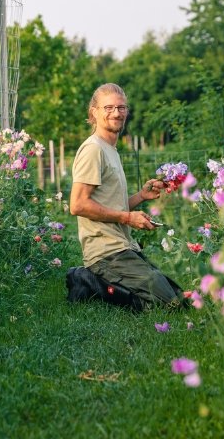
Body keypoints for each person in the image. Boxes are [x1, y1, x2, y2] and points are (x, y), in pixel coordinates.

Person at [68, 83, 183, 309]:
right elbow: (78, 205)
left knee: (177, 293)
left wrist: (141, 196)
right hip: (106, 253)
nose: (116, 113)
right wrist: (128, 218)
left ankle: (108, 286)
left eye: (121, 108)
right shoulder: (93, 149)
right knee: (170, 303)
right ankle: (87, 282)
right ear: (94, 112)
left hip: (123, 247)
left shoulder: (111, 149)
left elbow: (111, 205)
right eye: (108, 107)